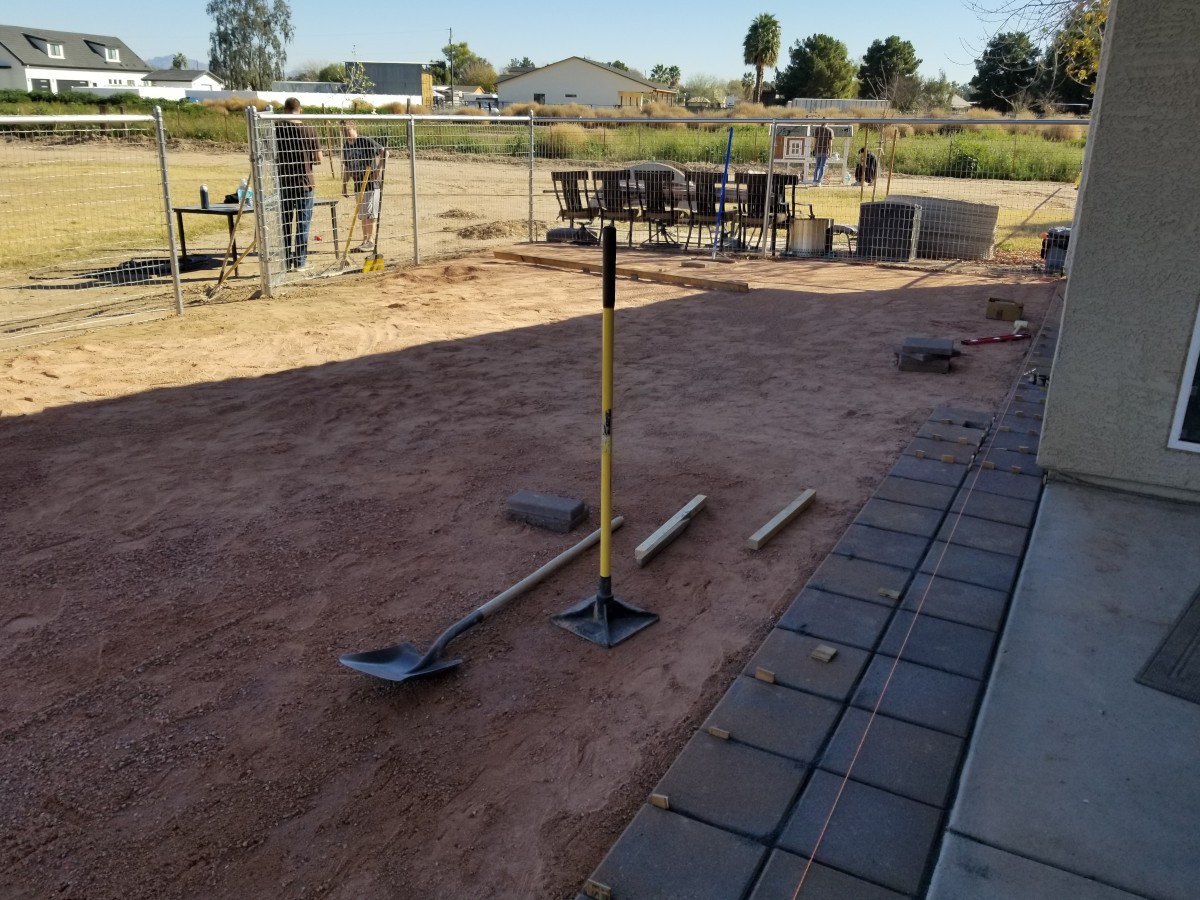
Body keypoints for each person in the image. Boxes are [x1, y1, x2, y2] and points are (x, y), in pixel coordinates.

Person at [274, 97, 323, 271]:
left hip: (285, 182)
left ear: (284, 110)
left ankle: (286, 261)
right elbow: (319, 159)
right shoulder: (310, 129)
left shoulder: (276, 128)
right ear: (300, 110)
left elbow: (268, 154)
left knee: (285, 223)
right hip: (304, 183)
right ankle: (300, 262)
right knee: (303, 223)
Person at [341, 120, 387, 253]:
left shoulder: (365, 141)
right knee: (362, 215)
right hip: (358, 185)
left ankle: (370, 241)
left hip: (371, 184)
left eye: (347, 130)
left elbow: (384, 152)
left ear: (354, 128)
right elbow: (347, 167)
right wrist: (344, 184)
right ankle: (365, 240)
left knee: (370, 213)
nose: (345, 134)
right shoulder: (346, 146)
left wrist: (378, 170)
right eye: (342, 131)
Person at [810, 121, 833, 186]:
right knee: (822, 166)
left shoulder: (817, 129)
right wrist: (830, 152)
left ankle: (815, 180)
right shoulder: (830, 130)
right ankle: (819, 181)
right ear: (827, 123)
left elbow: (814, 141)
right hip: (825, 150)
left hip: (818, 150)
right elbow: (830, 143)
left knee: (817, 166)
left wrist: (814, 149)